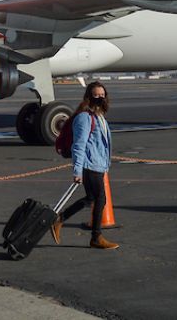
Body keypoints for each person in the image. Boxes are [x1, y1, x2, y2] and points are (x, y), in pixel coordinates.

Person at [51, 81, 118, 249]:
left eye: (103, 95)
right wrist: (77, 170)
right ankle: (96, 237)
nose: (100, 98)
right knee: (100, 199)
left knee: (91, 199)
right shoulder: (84, 117)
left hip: (98, 165)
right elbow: (78, 145)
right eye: (96, 95)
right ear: (89, 97)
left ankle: (60, 219)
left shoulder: (99, 116)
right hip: (90, 165)